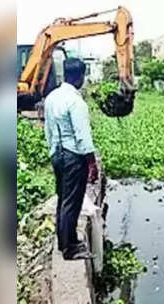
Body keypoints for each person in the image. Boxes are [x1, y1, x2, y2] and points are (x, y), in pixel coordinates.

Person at [44, 58, 98, 260]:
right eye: (83, 76)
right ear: (79, 77)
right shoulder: (76, 102)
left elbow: (48, 130)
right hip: (73, 156)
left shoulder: (51, 98)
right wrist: (91, 163)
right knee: (72, 202)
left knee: (63, 199)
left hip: (57, 153)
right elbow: (82, 136)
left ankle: (66, 241)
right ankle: (69, 248)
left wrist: (53, 152)